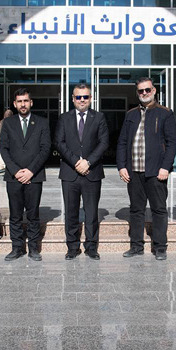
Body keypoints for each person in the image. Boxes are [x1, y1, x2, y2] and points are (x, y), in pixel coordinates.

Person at [116, 77, 176, 260]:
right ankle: (136, 246)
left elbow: (172, 143)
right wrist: (121, 166)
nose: (144, 93)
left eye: (147, 90)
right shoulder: (130, 115)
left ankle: (160, 247)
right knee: (136, 210)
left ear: (154, 90)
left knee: (159, 209)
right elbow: (122, 142)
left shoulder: (165, 113)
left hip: (156, 172)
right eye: (141, 91)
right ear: (137, 93)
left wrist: (166, 167)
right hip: (134, 171)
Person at [55, 83, 110, 260]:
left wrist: (88, 162)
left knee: (91, 212)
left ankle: (91, 247)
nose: (82, 100)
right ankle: (72, 247)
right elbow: (59, 142)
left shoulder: (99, 117)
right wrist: (76, 162)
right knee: (71, 212)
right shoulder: (64, 118)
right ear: (73, 99)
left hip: (92, 173)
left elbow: (104, 143)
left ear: (91, 98)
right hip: (70, 173)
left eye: (85, 97)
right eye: (78, 97)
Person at [0, 88, 51, 261]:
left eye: (26, 101)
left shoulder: (42, 122)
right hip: (13, 177)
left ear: (31, 102)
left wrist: (30, 171)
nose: (23, 104)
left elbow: (45, 148)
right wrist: (16, 171)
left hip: (34, 176)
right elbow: (4, 149)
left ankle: (33, 248)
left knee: (33, 214)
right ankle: (17, 248)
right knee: (15, 215)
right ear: (15, 104)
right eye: (20, 101)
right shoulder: (7, 123)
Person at [0, 107, 14, 173]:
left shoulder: (1, 122)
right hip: (10, 139)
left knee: (2, 154)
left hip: (1, 139)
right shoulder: (13, 122)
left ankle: (0, 167)